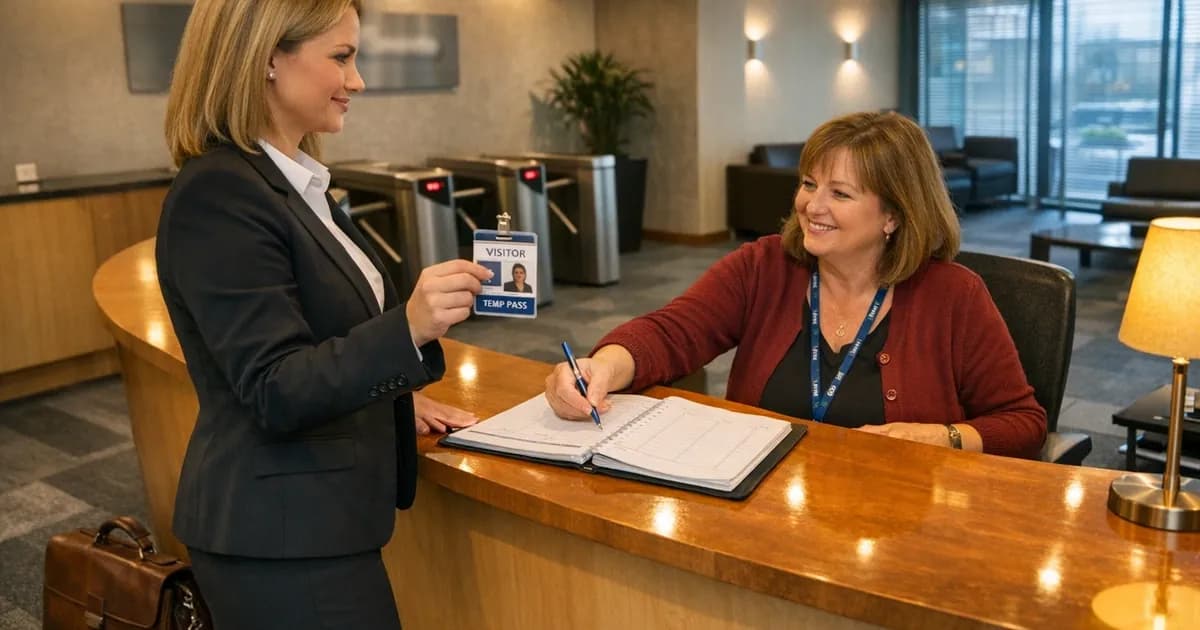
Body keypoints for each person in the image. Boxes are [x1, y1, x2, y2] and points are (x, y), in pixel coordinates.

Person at [156, 1, 490, 627]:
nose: (356, 81)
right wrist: (410, 326)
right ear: (266, 60)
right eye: (341, 57)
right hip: (277, 537)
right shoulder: (220, 193)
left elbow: (315, 338)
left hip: (313, 525)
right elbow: (274, 386)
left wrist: (393, 398)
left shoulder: (292, 184)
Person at [545, 111, 1046, 459]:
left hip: (901, 522)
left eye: (841, 193)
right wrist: (601, 368)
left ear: (893, 215)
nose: (812, 206)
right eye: (809, 184)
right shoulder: (765, 266)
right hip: (765, 504)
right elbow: (672, 333)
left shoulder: (954, 296)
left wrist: (947, 439)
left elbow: (1023, 422)